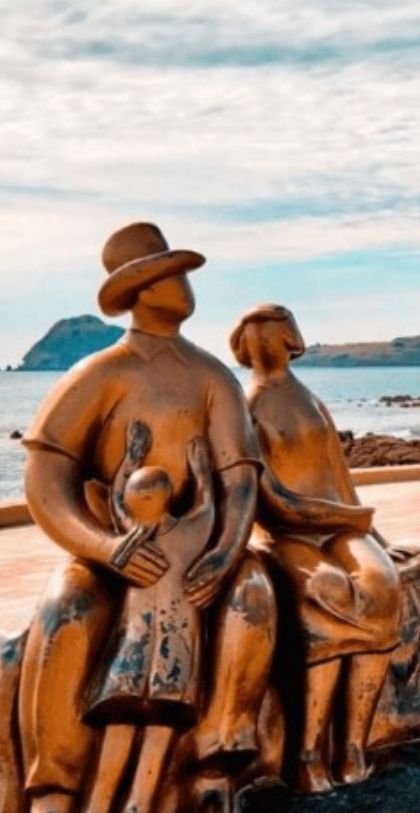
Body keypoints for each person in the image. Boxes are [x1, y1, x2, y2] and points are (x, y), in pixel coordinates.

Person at [20, 223, 277, 813]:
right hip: (112, 550)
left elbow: (240, 478)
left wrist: (227, 548)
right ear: (141, 288)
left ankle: (215, 761)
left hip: (196, 550)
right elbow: (45, 479)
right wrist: (104, 548)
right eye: (171, 274)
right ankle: (54, 786)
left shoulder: (213, 376)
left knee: (252, 595)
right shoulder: (98, 374)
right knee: (68, 609)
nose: (185, 285)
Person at [230, 304, 420, 793]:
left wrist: (376, 539)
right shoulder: (245, 406)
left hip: (344, 529)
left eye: (275, 331)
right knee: (329, 591)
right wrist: (346, 519)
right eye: (256, 333)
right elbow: (269, 497)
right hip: (288, 537)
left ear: (290, 338)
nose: (266, 341)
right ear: (244, 344)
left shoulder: (311, 401)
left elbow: (342, 480)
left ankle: (354, 743)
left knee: (382, 584)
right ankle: (310, 751)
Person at [86, 428, 216, 813]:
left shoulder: (130, 536)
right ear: (168, 497)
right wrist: (201, 469)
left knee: (121, 724)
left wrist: (132, 457)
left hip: (133, 657)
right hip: (171, 659)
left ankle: (103, 802)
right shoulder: (192, 532)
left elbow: (115, 498)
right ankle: (136, 803)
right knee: (156, 728)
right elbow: (208, 501)